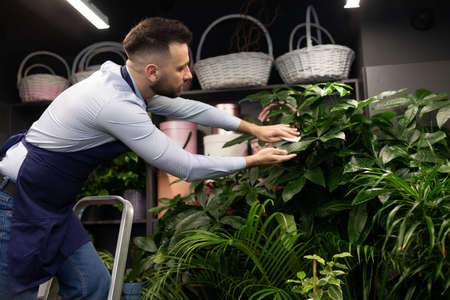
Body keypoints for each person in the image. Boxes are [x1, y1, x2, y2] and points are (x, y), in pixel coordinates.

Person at [0, 17, 298, 299]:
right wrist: (252, 161)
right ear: (153, 71)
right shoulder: (116, 105)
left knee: (95, 287)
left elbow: (189, 109)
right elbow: (186, 166)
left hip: (50, 204)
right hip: (14, 205)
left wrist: (255, 128)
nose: (188, 74)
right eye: (181, 68)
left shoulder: (122, 80)